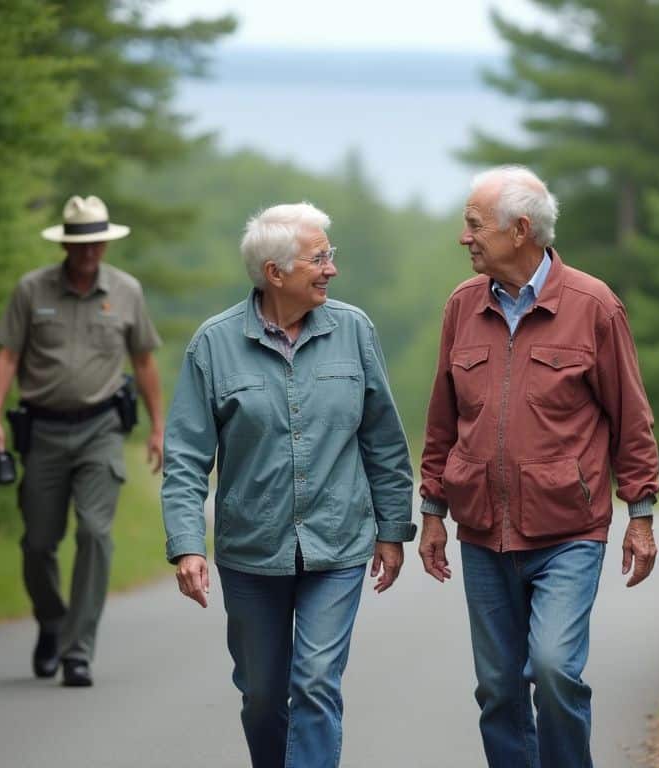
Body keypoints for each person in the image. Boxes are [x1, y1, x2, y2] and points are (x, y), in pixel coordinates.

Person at [418, 166, 659, 767]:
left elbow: (631, 417)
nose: (464, 237)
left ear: (520, 230)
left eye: (474, 225)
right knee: (498, 690)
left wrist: (642, 513)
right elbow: (442, 419)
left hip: (568, 531)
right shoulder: (462, 306)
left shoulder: (594, 306)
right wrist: (431, 510)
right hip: (480, 531)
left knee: (553, 670)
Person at [161, 202, 415, 768]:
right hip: (252, 550)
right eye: (319, 258)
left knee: (317, 683)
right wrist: (185, 544)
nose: (331, 269)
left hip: (338, 542)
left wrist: (393, 529)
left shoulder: (354, 330)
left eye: (332, 255)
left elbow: (383, 438)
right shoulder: (213, 344)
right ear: (275, 273)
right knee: (262, 695)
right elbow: (185, 457)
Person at [0, 195, 164, 688]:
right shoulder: (31, 290)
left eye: (94, 242)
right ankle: (51, 620)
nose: (87, 251)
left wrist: (159, 429)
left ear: (105, 242)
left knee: (94, 533)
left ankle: (77, 651)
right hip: (42, 430)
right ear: (66, 243)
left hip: (100, 430)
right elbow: (7, 357)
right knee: (38, 544)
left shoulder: (126, 292)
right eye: (78, 243)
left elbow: (144, 362)